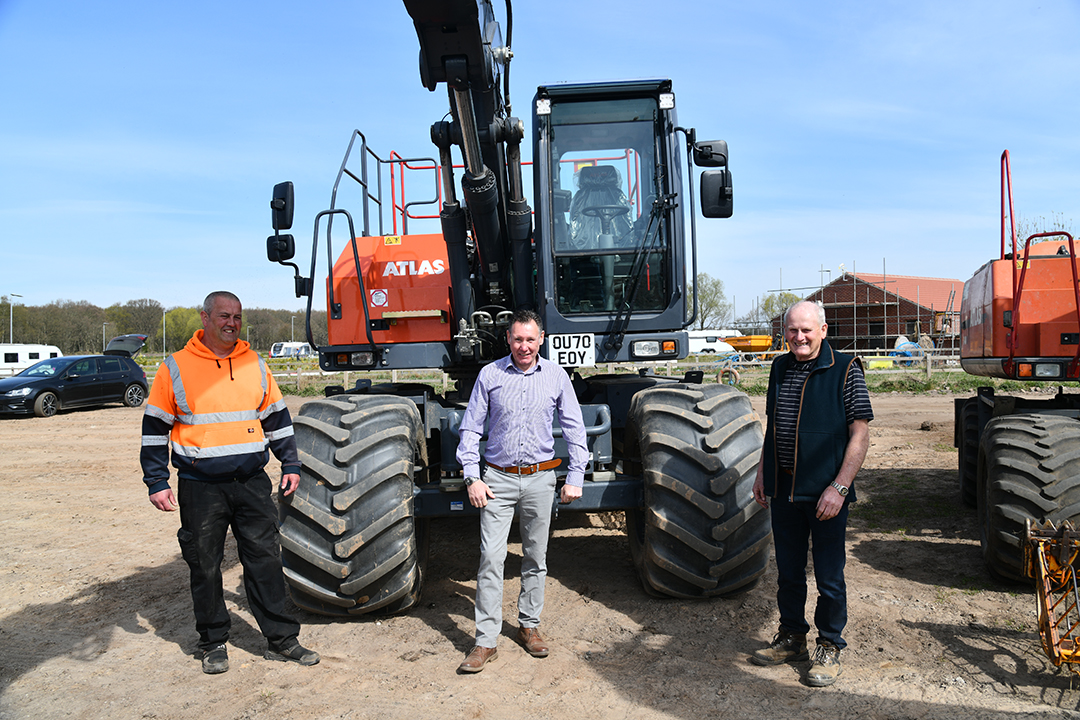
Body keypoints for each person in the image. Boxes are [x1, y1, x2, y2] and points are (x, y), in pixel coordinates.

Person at [140, 291, 319, 675]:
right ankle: (213, 641)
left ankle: (281, 639)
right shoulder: (176, 367)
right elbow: (154, 429)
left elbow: (276, 417)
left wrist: (290, 461)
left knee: (266, 561)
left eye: (237, 317)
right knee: (204, 565)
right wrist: (156, 480)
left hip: (252, 482)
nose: (231, 323)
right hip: (199, 485)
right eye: (224, 315)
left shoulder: (254, 363)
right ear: (204, 318)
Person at [455, 308, 589, 673]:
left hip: (540, 480)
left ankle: (529, 625)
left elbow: (575, 429)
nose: (524, 346)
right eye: (517, 339)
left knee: (535, 557)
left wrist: (575, 475)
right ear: (508, 340)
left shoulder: (557, 377)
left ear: (541, 339)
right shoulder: (490, 375)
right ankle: (485, 641)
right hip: (496, 480)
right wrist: (472, 477)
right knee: (491, 559)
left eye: (530, 339)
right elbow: (470, 430)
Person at [750, 300, 873, 687]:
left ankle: (830, 645)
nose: (799, 337)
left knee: (829, 575)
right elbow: (774, 426)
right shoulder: (780, 367)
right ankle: (791, 637)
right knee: (788, 572)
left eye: (806, 330)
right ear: (784, 332)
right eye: (792, 330)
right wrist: (762, 473)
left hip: (825, 494)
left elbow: (860, 433)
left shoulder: (845, 369)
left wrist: (840, 487)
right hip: (784, 489)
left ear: (823, 330)